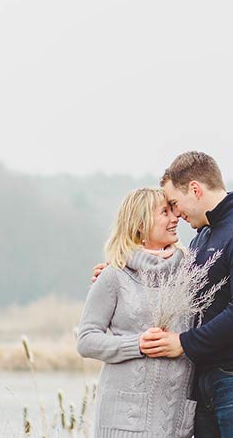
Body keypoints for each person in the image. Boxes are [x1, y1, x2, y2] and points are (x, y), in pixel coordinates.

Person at [139, 151, 233, 438]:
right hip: (207, 377)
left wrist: (184, 343)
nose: (176, 213)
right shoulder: (204, 237)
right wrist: (118, 271)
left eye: (174, 203)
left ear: (195, 189)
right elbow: (175, 286)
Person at [76, 187, 195, 438]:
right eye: (165, 212)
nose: (175, 219)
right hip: (123, 421)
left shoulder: (191, 274)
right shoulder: (113, 275)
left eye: (174, 211)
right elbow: (86, 341)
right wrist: (137, 345)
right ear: (140, 224)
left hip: (176, 421)